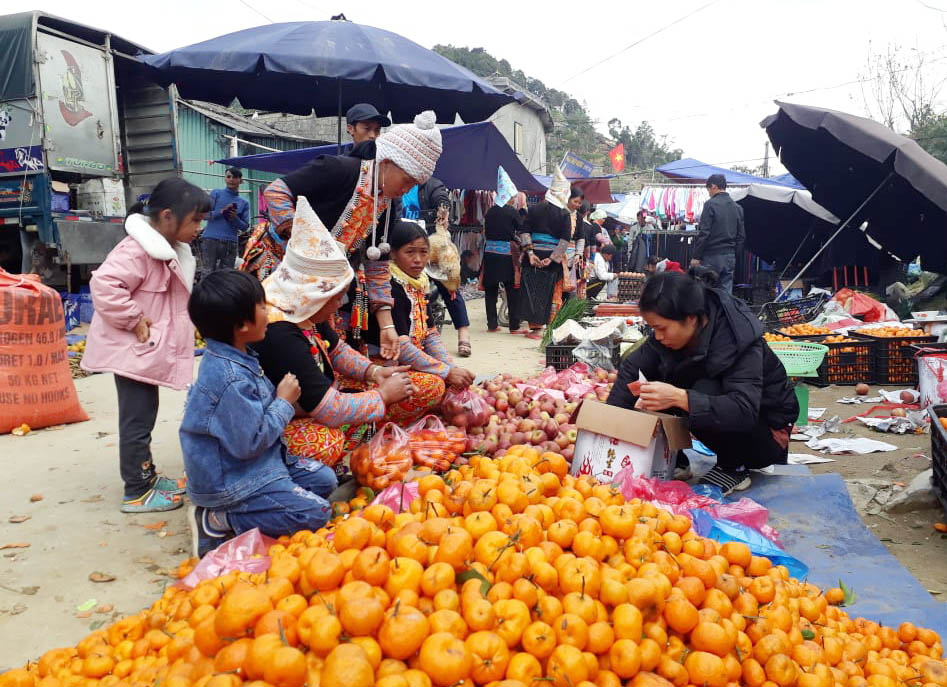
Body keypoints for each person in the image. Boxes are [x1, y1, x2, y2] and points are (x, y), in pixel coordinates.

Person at [242, 111, 443, 362]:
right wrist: (306, 242)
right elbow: (276, 192)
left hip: (321, 283)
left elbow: (377, 268)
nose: (407, 189)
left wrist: (387, 327)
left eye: (415, 184)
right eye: (407, 180)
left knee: (318, 350)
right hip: (280, 265)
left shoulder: (388, 205)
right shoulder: (338, 169)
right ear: (387, 162)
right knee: (273, 344)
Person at [180, 269, 338, 555]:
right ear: (242, 325)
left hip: (263, 463)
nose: (270, 312)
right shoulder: (231, 378)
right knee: (316, 513)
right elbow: (249, 443)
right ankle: (217, 518)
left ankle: (272, 500)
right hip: (234, 478)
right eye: (263, 307)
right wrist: (283, 402)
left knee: (325, 480)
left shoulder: (242, 356)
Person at [250, 198, 415, 472]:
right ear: (316, 293)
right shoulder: (279, 330)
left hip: (310, 405)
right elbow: (327, 409)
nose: (340, 304)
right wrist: (383, 395)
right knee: (325, 443)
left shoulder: (301, 307)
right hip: (270, 426)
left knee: (383, 398)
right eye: (335, 297)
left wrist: (374, 373)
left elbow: (336, 349)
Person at [606, 268, 798, 495]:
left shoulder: (738, 339)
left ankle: (734, 466)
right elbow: (632, 367)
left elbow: (743, 410)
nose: (657, 336)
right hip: (738, 418)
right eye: (653, 328)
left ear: (690, 318)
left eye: (662, 328)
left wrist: (680, 397)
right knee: (658, 378)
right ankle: (674, 460)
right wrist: (610, 431)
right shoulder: (675, 334)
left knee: (696, 390)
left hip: (766, 434)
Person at [82, 178, 210, 513]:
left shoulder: (167, 252)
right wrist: (133, 317)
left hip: (143, 352)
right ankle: (136, 491)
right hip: (130, 351)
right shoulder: (136, 250)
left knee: (144, 416)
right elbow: (105, 284)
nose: (200, 227)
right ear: (168, 216)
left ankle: (148, 476)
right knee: (136, 421)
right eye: (195, 220)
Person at [362, 221, 476, 420]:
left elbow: (430, 333)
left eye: (424, 252)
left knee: (452, 383)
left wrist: (451, 367)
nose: (418, 260)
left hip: (409, 363)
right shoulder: (389, 287)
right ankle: (377, 423)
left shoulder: (418, 283)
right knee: (434, 386)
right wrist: (446, 372)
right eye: (410, 252)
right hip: (383, 367)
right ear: (393, 254)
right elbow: (403, 348)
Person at [403, 176, 473, 357]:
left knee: (449, 287)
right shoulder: (397, 185)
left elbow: (441, 197)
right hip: (402, 245)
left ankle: (463, 331)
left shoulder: (432, 184)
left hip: (430, 244)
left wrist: (443, 210)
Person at [518, 170, 582, 339]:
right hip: (552, 259)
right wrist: (552, 258)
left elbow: (524, 232)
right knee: (553, 292)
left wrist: (530, 254)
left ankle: (536, 328)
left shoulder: (534, 209)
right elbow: (564, 240)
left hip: (532, 256)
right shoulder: (564, 214)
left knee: (533, 290)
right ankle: (551, 327)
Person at [482, 166, 523, 334]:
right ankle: (514, 326)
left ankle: (492, 325)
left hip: (490, 253)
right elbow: (519, 228)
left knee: (490, 290)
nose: (514, 199)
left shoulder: (490, 211)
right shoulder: (512, 212)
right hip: (506, 254)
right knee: (512, 289)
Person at [692, 173, 745, 293]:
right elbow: (741, 236)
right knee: (725, 292)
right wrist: (733, 253)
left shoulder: (710, 204)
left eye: (708, 189)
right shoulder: (737, 207)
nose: (709, 193)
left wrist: (696, 256)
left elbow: (704, 233)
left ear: (714, 186)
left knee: (708, 290)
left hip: (712, 255)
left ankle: (710, 312)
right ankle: (724, 312)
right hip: (729, 256)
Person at [200, 168, 250, 278]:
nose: (231, 180)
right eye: (228, 177)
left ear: (240, 181)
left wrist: (234, 218)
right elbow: (204, 215)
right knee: (207, 272)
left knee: (226, 277)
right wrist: (221, 212)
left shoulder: (244, 203)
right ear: (225, 179)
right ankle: (204, 295)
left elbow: (245, 226)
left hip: (230, 242)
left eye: (235, 177)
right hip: (210, 239)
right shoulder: (216, 193)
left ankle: (223, 296)